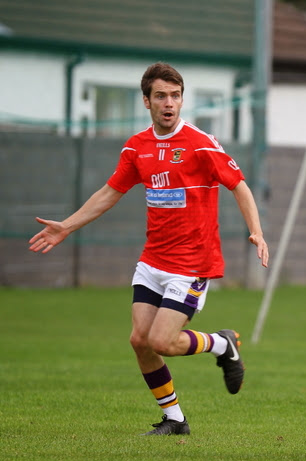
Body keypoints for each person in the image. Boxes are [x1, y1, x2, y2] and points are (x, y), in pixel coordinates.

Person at [29, 62, 269, 436]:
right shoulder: (137, 147)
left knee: (162, 340)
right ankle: (175, 420)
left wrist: (256, 231)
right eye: (161, 96)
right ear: (147, 101)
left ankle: (222, 344)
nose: (169, 103)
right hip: (153, 260)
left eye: (175, 96)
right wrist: (67, 226)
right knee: (140, 341)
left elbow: (239, 185)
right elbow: (110, 193)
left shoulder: (201, 144)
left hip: (192, 263)